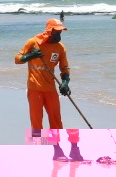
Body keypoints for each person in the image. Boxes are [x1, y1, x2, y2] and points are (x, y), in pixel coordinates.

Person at [15, 18, 83, 161]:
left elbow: (64, 68)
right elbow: (17, 59)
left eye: (60, 33)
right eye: (56, 32)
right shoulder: (33, 42)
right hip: (34, 88)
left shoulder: (60, 48)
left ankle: (69, 149)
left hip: (51, 89)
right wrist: (31, 55)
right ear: (48, 32)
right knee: (37, 123)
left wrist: (65, 82)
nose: (59, 36)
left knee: (56, 121)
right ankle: (51, 151)